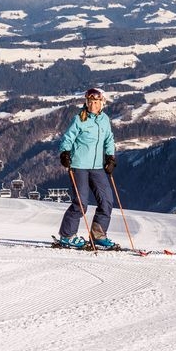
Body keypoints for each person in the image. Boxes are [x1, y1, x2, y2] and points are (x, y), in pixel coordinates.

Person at [57, 87, 117, 249]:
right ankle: (67, 236)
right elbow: (67, 138)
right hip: (79, 166)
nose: (92, 105)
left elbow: (109, 139)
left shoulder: (105, 119)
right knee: (81, 203)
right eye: (90, 102)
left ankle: (98, 234)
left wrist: (110, 157)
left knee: (107, 201)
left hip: (97, 167)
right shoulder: (79, 119)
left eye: (95, 102)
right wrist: (64, 153)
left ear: (102, 103)